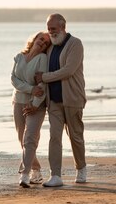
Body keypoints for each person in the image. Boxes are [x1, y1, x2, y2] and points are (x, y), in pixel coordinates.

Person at [34, 14, 87, 187]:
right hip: (54, 101)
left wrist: (45, 77)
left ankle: (81, 169)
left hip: (73, 98)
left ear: (63, 27)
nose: (51, 32)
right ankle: (55, 175)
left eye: (53, 29)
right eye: (49, 29)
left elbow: (68, 70)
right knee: (54, 137)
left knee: (75, 136)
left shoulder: (75, 44)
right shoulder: (50, 47)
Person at [11, 31, 51, 188]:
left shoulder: (43, 59)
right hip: (18, 102)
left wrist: (35, 103)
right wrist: (30, 88)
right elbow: (13, 79)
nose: (42, 42)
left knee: (30, 139)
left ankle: (24, 174)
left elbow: (42, 86)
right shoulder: (19, 56)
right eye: (41, 39)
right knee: (22, 138)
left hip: (36, 105)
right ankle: (36, 170)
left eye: (46, 43)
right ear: (34, 39)